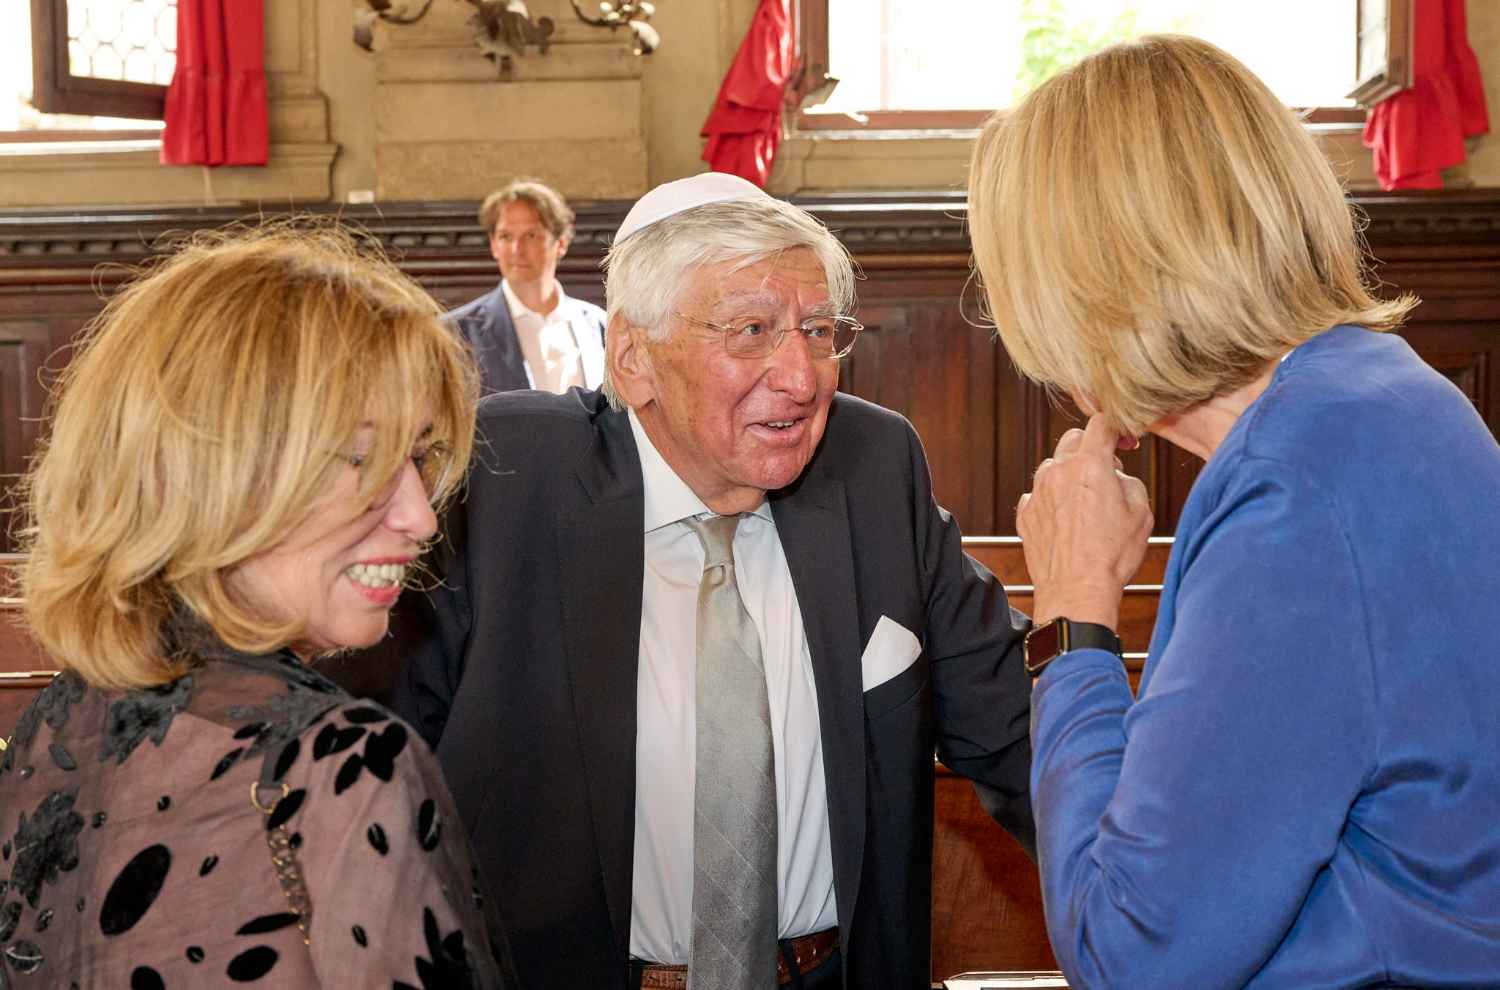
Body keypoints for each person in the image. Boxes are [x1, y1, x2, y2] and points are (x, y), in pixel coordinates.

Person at [395, 172, 1036, 988]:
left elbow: (1012, 727)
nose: (802, 377)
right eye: (751, 331)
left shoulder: (872, 470)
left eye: (818, 330)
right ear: (634, 359)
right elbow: (375, 766)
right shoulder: (508, 483)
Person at [968, 34, 1500, 988]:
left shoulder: (1291, 490)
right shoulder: (1390, 393)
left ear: (1091, 285)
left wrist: (1074, 612)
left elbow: (1133, 955)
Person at [0, 224, 516, 988]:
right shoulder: (341, 764)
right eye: (361, 457)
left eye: (417, 458)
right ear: (216, 473)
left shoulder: (56, 728)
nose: (421, 517)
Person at [448, 178, 607, 396]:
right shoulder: (456, 333)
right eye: (506, 237)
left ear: (561, 243)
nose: (517, 249)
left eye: (531, 236)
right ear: (494, 245)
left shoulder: (600, 325)